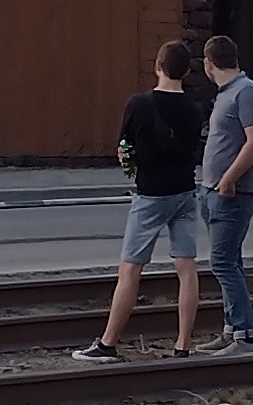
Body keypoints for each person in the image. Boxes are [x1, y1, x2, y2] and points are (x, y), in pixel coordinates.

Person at [76, 40, 209, 361]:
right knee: (186, 267)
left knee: (131, 270)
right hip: (185, 193)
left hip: (150, 195)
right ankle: (183, 345)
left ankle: (108, 343)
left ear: (157, 66)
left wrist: (128, 160)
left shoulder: (139, 104)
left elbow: (124, 148)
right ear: (187, 72)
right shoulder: (194, 109)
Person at [196, 31, 253, 351]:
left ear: (208, 64)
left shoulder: (246, 92)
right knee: (229, 261)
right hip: (213, 191)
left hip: (232, 193)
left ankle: (246, 334)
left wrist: (228, 179)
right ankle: (232, 329)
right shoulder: (227, 93)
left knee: (223, 263)